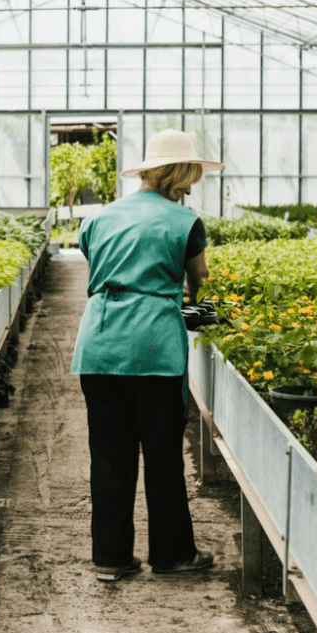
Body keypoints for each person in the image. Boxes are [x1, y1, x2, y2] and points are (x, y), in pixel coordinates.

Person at [70, 129, 222, 583]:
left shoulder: (99, 218)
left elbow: (96, 267)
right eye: (189, 177)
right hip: (154, 349)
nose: (191, 187)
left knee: (110, 457)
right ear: (175, 174)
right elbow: (200, 281)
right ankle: (173, 555)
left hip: (99, 346)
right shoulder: (184, 222)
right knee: (162, 457)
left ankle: (111, 560)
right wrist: (184, 295)